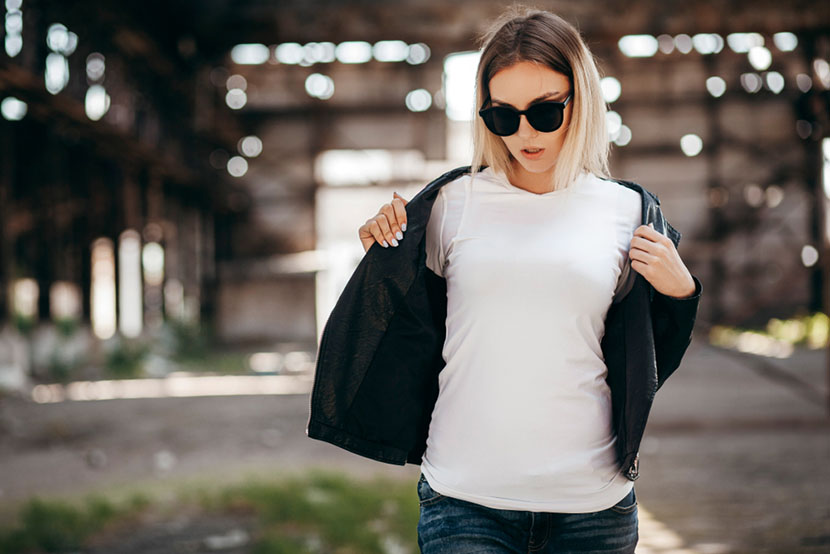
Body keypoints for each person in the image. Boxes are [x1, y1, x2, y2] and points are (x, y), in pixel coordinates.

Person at [307, 5, 702, 553]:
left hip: (593, 508)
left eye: (544, 113)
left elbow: (648, 358)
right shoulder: (450, 203)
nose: (523, 134)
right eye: (502, 116)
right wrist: (384, 249)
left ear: (581, 100)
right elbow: (401, 325)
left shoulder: (628, 210)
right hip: (465, 501)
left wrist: (681, 293)